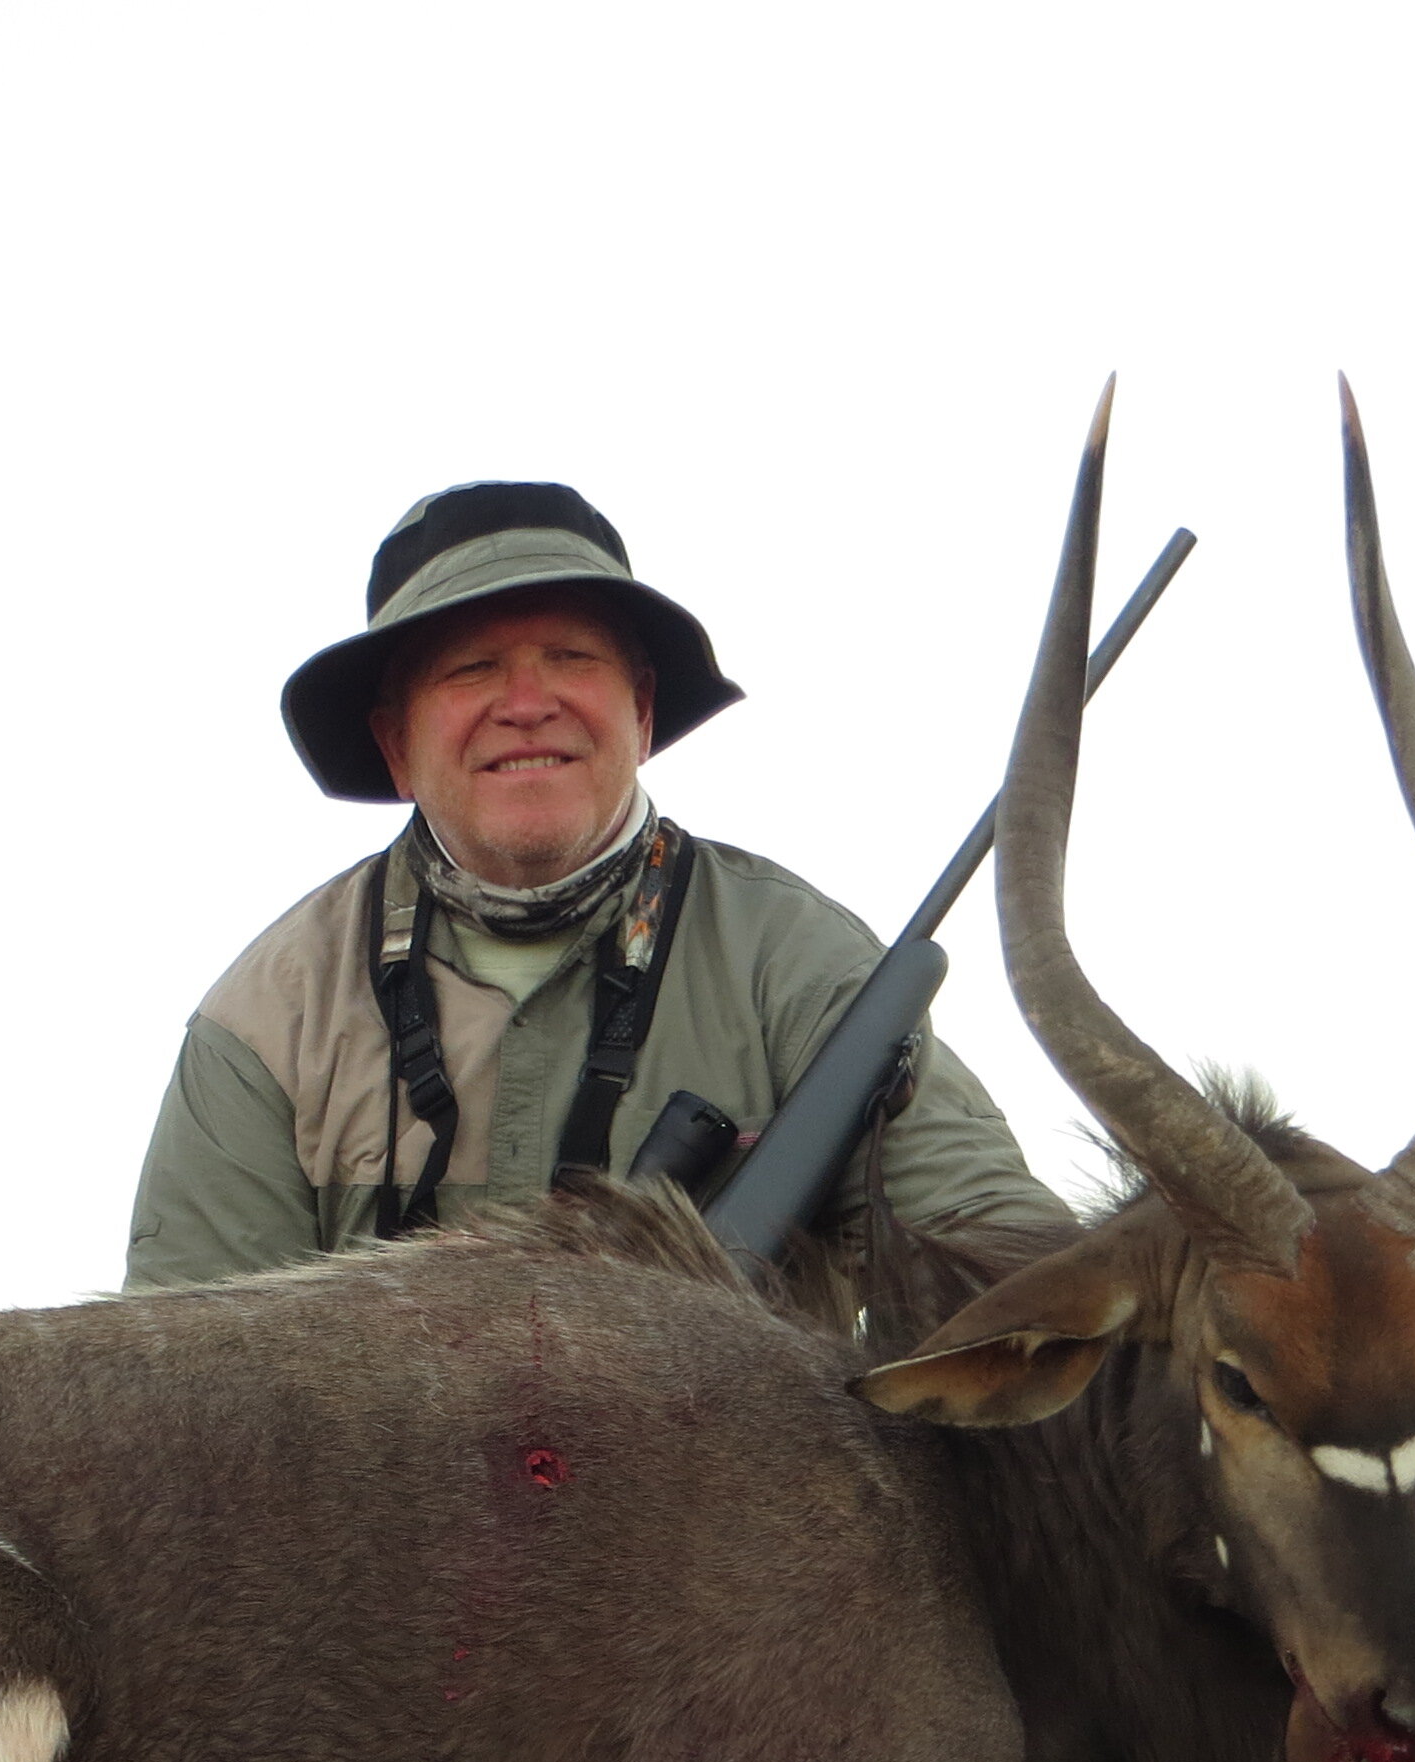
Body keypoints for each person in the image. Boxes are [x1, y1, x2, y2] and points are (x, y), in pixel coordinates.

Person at [123, 479, 1062, 1291]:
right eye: (471, 667)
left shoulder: (800, 964)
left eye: (571, 658)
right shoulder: (264, 1023)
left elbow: (996, 1247)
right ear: (394, 745)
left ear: (643, 711)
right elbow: (185, 1384)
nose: (527, 703)